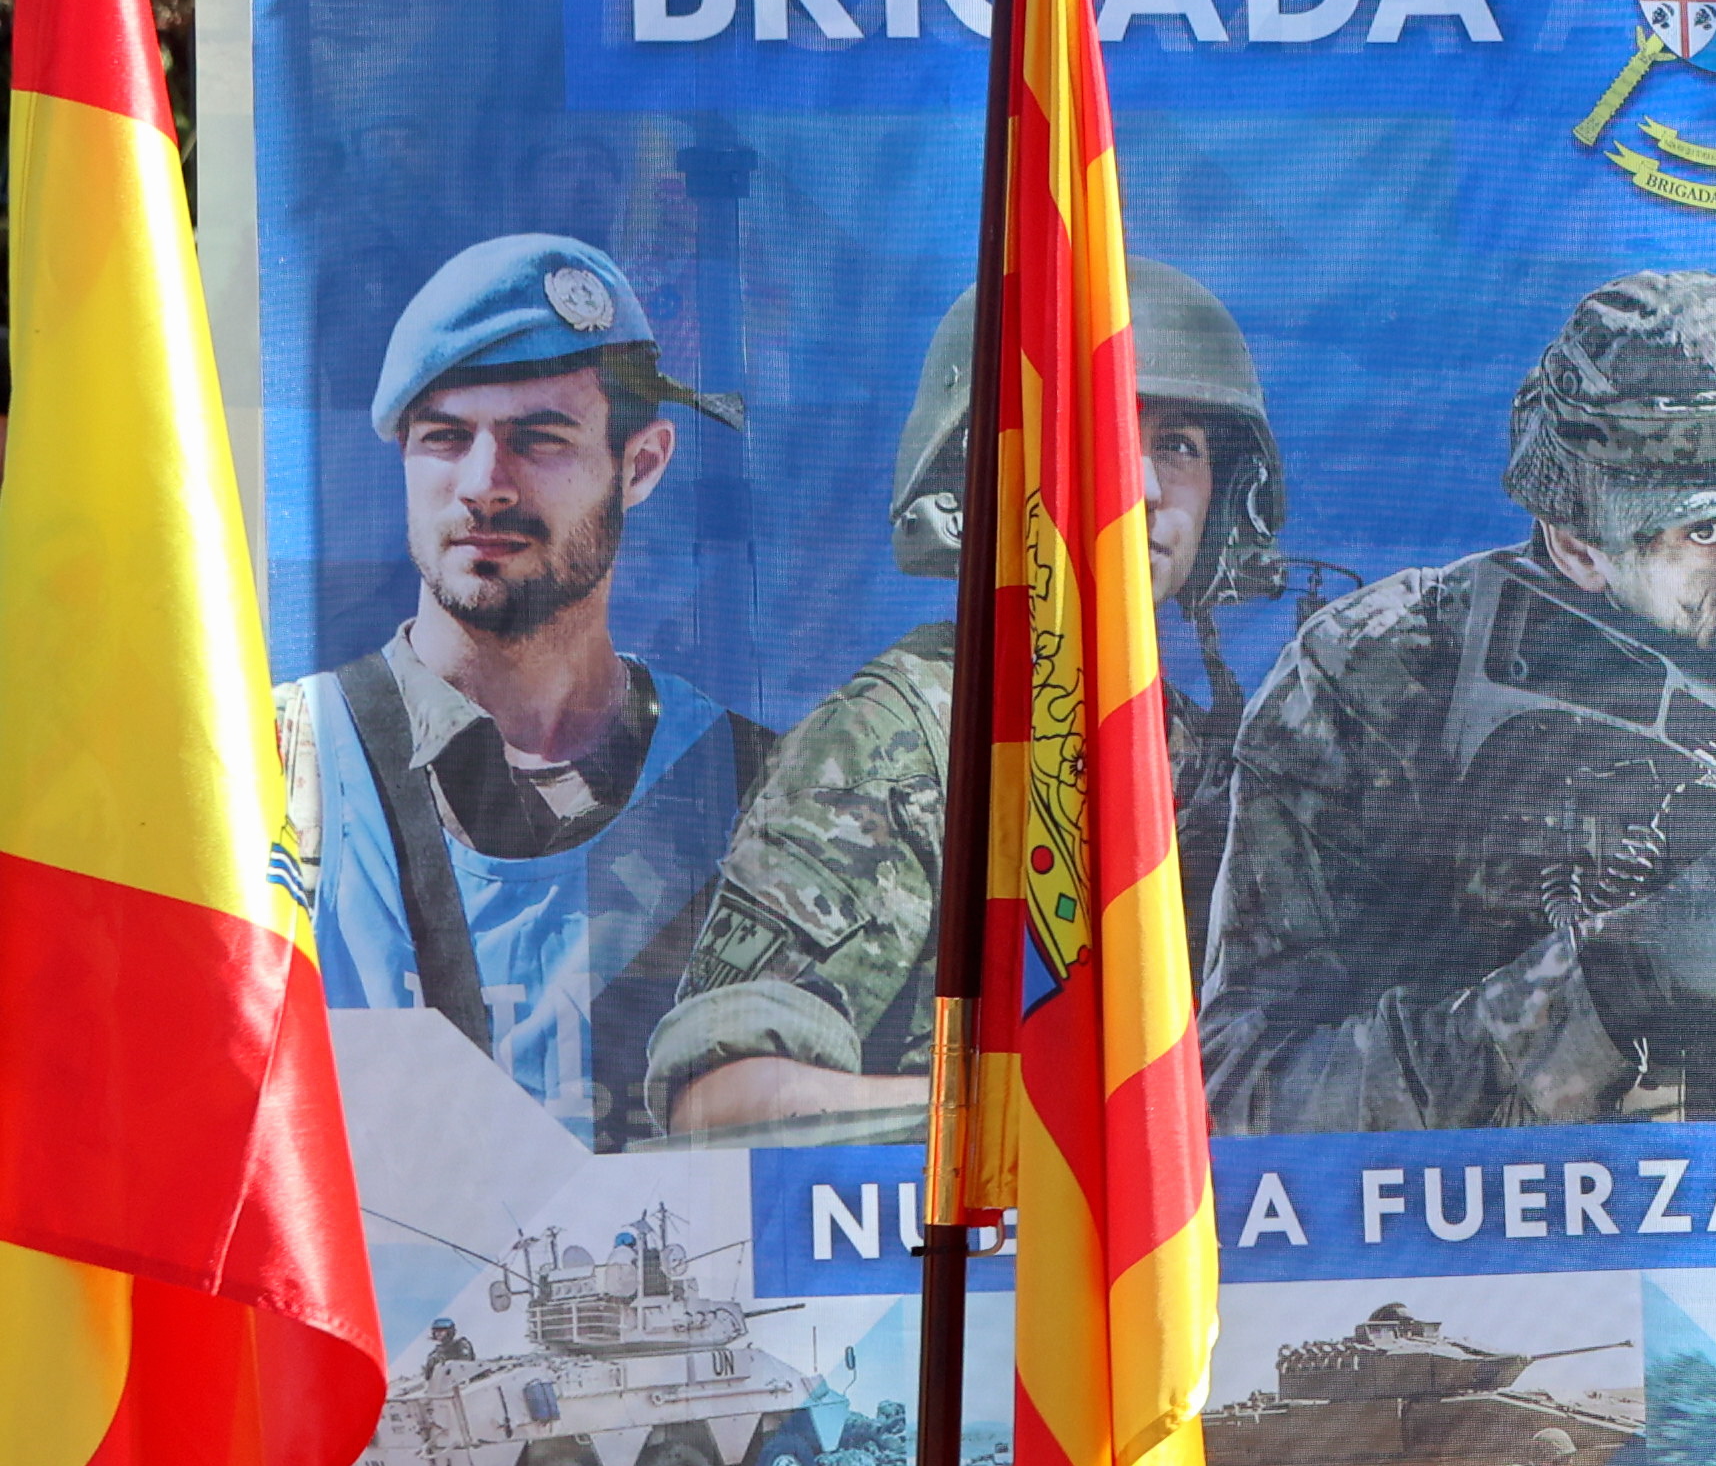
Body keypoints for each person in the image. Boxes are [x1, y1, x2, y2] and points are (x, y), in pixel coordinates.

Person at [1202, 272, 1716, 1131]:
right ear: (1577, 544)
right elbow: (1237, 1104)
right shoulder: (1391, 677)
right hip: (1501, 1248)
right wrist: (1605, 986)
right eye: (1714, 533)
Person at [642, 263, 1292, 1140]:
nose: (1139, 487)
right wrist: (1050, 1133)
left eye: (1178, 445)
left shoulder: (1223, 759)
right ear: (988, 479)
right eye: (1093, 432)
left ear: (1223, 505)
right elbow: (724, 1104)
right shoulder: (905, 736)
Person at [278, 234, 768, 1147]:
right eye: (445, 438)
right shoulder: (278, 774)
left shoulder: (757, 791)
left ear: (643, 463)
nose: (483, 486)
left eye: (539, 439)